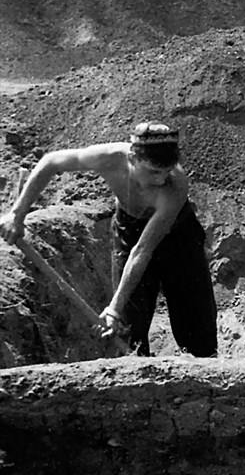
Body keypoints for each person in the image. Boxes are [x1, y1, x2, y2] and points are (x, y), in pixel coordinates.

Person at [1, 121, 217, 357]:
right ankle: (138, 375)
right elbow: (51, 162)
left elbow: (142, 250)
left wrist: (112, 308)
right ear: (133, 158)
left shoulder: (175, 186)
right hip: (129, 228)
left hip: (179, 238)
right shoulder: (108, 158)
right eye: (154, 171)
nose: (160, 179)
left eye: (166, 171)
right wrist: (17, 213)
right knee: (129, 324)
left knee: (197, 325)